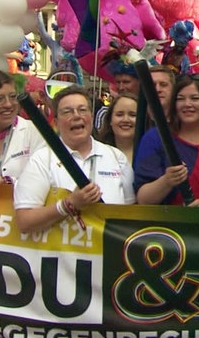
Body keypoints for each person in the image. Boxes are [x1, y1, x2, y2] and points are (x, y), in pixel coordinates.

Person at [14, 86, 135, 233]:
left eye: (82, 110)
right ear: (56, 122)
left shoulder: (116, 157)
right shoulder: (42, 159)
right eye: (67, 112)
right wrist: (69, 204)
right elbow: (24, 222)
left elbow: (131, 213)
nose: (76, 116)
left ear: (91, 116)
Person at [135, 76, 199, 206]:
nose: (187, 104)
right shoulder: (155, 138)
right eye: (180, 99)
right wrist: (167, 181)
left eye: (195, 98)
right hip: (166, 224)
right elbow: (143, 199)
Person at [97, 91, 138, 163]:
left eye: (132, 115)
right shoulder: (97, 152)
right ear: (110, 120)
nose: (126, 120)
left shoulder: (152, 153)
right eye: (119, 114)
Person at [94, 64, 138, 131]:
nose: (121, 87)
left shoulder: (150, 111)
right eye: (118, 82)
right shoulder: (105, 112)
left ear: (139, 82)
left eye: (126, 82)